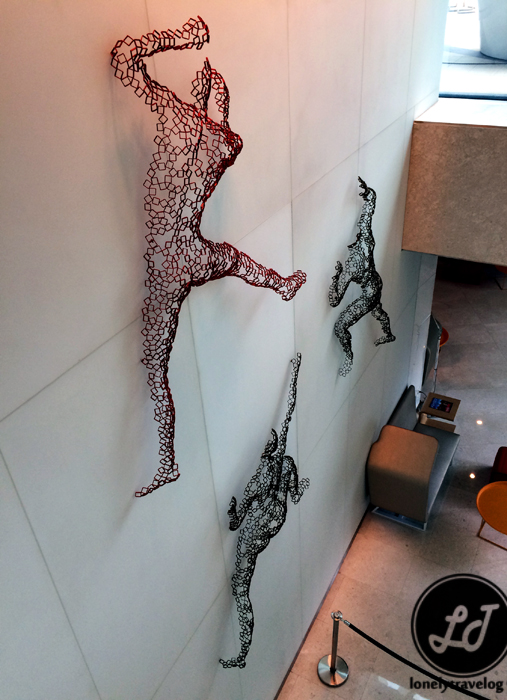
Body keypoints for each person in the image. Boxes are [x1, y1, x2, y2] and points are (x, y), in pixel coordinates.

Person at [111, 18, 306, 496]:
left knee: (156, 366)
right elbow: (218, 127)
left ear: (199, 93)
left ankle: (167, 461)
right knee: (233, 260)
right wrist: (214, 98)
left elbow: (124, 58)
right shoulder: (226, 143)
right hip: (192, 253)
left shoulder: (174, 115)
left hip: (168, 259)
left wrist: (179, 38)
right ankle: (282, 284)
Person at [219, 354, 308, 669]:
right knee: (242, 583)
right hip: (276, 517)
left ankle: (243, 654)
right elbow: (288, 413)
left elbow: (234, 524)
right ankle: (243, 653)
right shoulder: (283, 461)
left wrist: (233, 509)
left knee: (240, 588)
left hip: (256, 530)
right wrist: (295, 373)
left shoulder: (256, 481)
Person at [329, 177, 395, 376]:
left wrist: (336, 278)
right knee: (377, 309)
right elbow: (367, 215)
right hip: (375, 282)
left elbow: (334, 300)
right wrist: (369, 195)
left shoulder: (351, 266)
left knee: (340, 327)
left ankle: (348, 356)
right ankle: (388, 334)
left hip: (370, 290)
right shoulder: (366, 240)